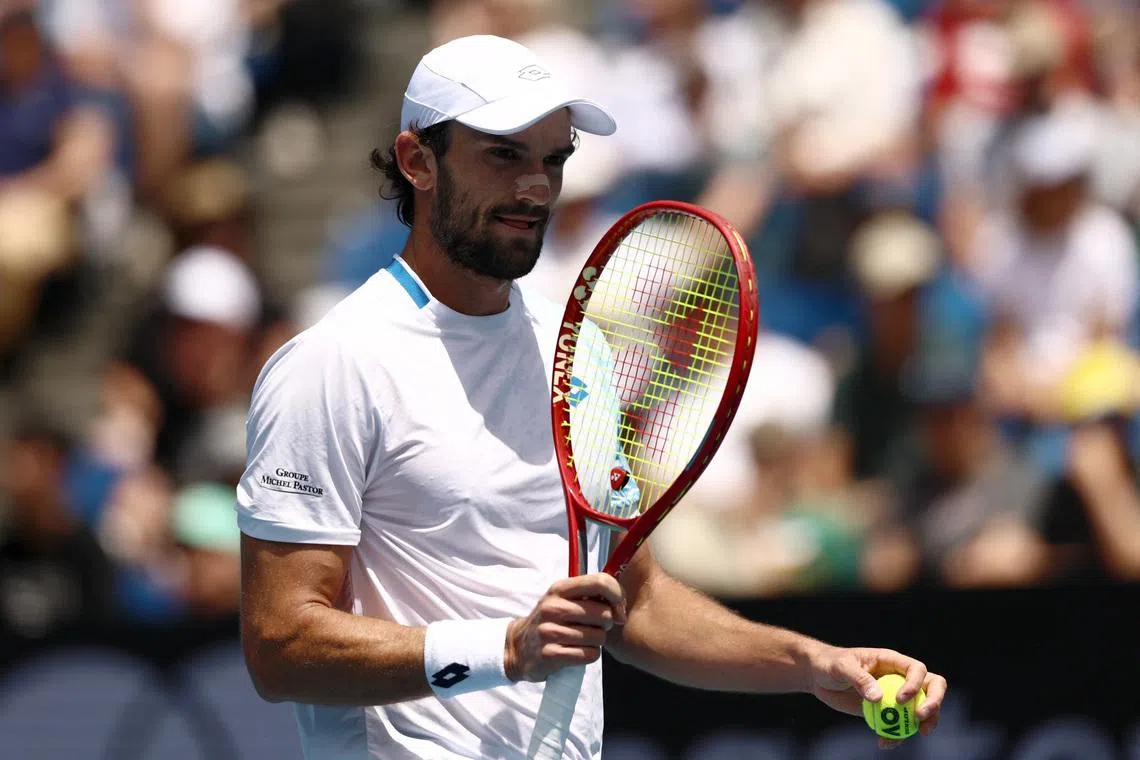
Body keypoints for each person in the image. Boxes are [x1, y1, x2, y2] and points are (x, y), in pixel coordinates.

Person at [235, 34, 947, 760]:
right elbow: (280, 642)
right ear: (418, 160)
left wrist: (809, 662)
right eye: (504, 154)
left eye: (553, 158)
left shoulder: (575, 348)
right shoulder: (331, 363)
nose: (537, 186)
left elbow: (632, 600)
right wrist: (506, 649)